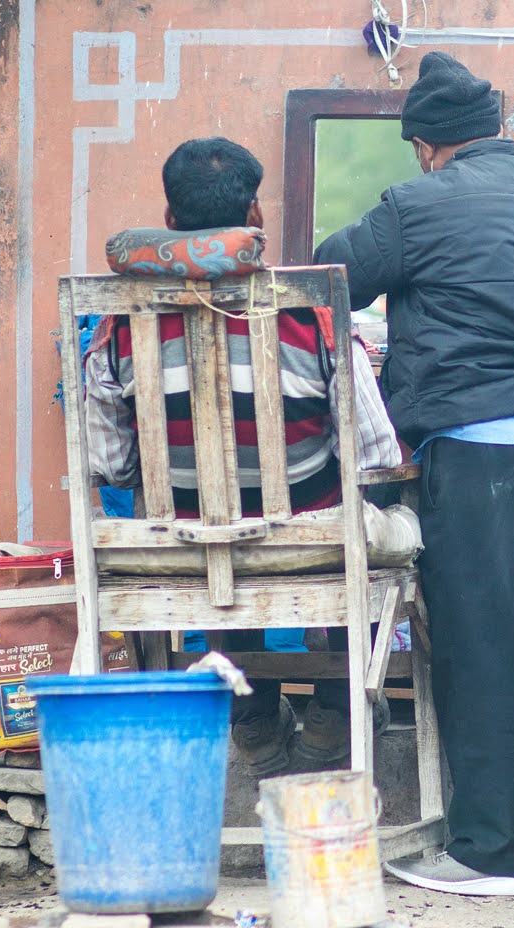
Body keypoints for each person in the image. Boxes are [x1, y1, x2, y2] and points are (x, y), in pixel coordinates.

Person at [315, 52, 514, 897]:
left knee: (476, 651)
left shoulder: (417, 205)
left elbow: (328, 276)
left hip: (473, 453)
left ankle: (487, 852)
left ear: (429, 145)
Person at [84, 137, 405, 776]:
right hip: (307, 545)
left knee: (214, 538)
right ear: (254, 214)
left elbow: (110, 463)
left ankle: (253, 723)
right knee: (367, 524)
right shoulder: (313, 313)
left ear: (170, 222)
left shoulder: (117, 325)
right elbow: (372, 454)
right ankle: (335, 716)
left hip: (173, 545)